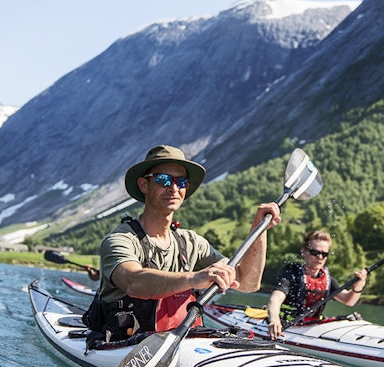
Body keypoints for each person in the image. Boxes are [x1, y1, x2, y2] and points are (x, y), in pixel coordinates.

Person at [88, 144, 280, 347]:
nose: (173, 188)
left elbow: (247, 283)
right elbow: (133, 281)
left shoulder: (192, 242)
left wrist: (259, 230)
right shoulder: (120, 239)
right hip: (119, 345)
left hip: (180, 347)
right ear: (144, 185)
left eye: (181, 182)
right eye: (163, 180)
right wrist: (196, 277)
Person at [265, 230, 368, 339]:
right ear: (303, 251)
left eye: (324, 254)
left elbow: (349, 300)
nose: (319, 257)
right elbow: (275, 299)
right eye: (315, 253)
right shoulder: (292, 273)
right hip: (285, 325)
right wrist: (274, 320)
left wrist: (359, 286)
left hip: (312, 325)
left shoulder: (326, 279)